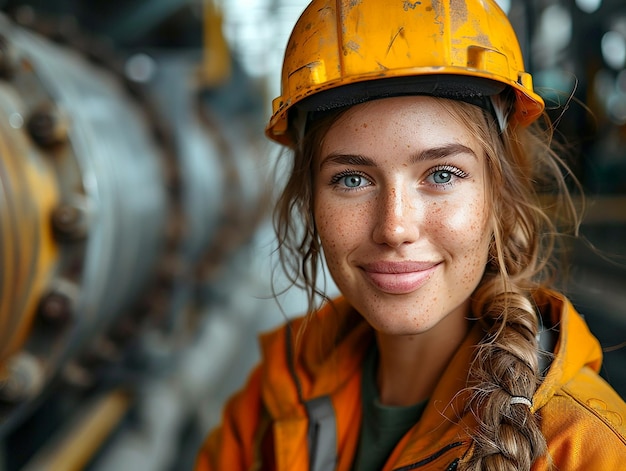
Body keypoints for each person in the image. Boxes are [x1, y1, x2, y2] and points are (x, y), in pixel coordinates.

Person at [195, 0, 626, 470]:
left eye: (441, 174)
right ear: (309, 198)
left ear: (498, 192)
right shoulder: (272, 400)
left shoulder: (586, 449)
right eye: (353, 179)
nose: (395, 228)